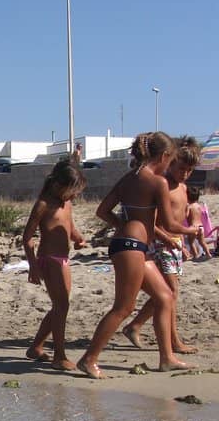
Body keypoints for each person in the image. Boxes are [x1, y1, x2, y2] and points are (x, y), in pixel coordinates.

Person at [77, 132, 200, 379]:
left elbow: (102, 211)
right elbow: (169, 223)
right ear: (164, 156)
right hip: (132, 247)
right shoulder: (158, 182)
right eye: (171, 160)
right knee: (123, 307)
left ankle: (167, 359)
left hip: (127, 243)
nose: (169, 165)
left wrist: (123, 225)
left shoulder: (128, 178)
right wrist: (191, 230)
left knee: (164, 297)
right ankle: (89, 359)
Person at [120, 136, 202, 355]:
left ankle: (135, 325)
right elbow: (154, 223)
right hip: (160, 244)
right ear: (170, 161)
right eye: (181, 168)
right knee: (170, 292)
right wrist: (169, 238)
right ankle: (173, 342)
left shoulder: (182, 188)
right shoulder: (161, 184)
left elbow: (184, 216)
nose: (185, 173)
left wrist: (189, 233)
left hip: (175, 244)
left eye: (190, 170)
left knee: (165, 294)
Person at [21, 160, 87, 370]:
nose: (74, 196)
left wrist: (79, 238)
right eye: (72, 191)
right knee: (61, 306)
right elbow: (27, 238)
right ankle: (59, 355)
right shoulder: (43, 204)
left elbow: (70, 227)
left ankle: (36, 347)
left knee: (60, 306)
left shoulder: (66, 204)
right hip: (49, 259)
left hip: (63, 259)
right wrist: (33, 266)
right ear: (58, 185)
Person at [185, 185, 210, 260]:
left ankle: (195, 255)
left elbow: (186, 215)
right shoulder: (199, 206)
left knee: (191, 242)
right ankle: (208, 254)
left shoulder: (189, 206)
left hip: (193, 227)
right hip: (201, 227)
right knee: (202, 242)